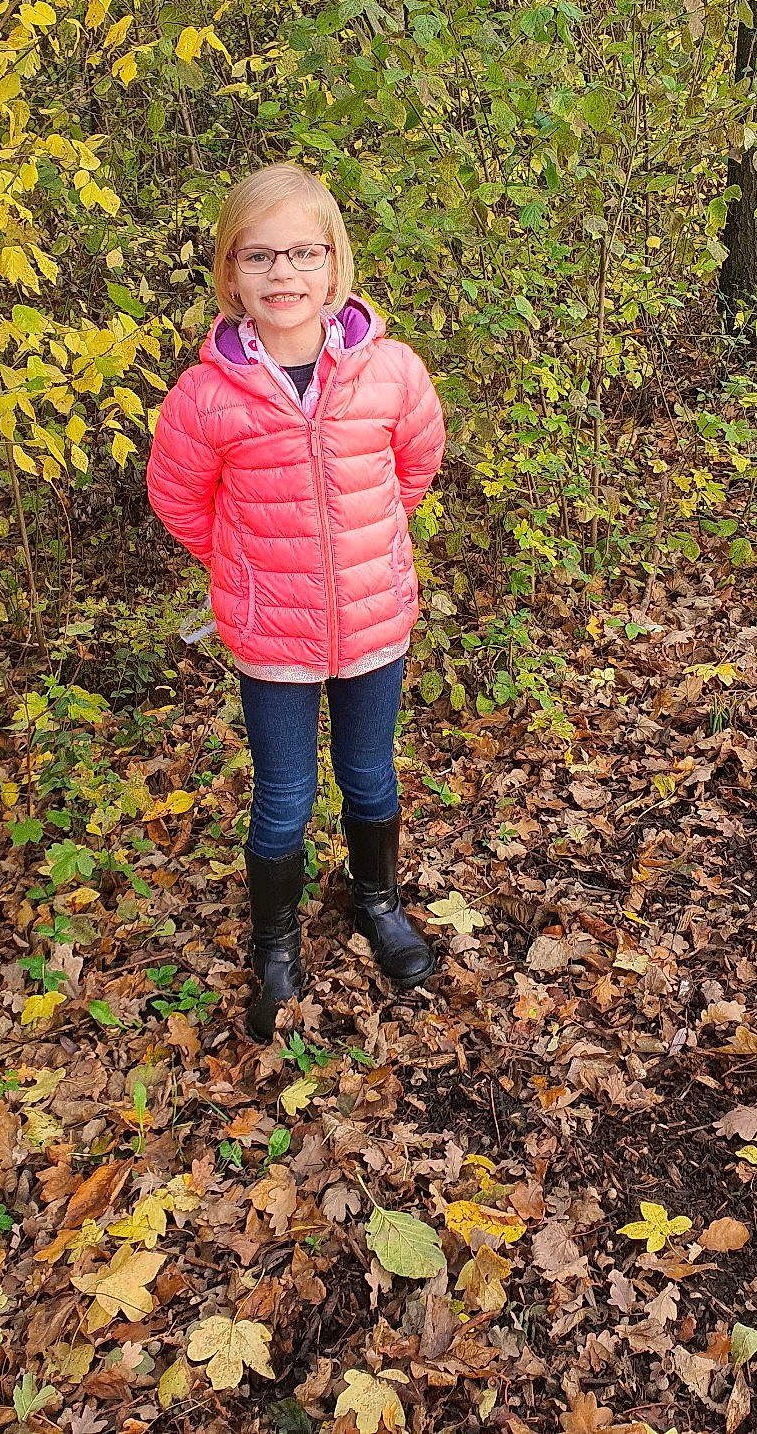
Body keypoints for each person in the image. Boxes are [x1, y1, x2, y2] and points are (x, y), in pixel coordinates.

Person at [146, 162, 446, 1040]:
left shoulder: (389, 372)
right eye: (261, 255)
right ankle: (275, 945)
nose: (284, 274)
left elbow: (414, 468)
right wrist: (244, 564)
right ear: (231, 272)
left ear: (333, 264)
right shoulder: (208, 395)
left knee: (369, 775)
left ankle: (378, 903)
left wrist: (369, 544)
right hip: (269, 635)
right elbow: (178, 496)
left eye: (303, 252)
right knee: (282, 796)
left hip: (373, 622)